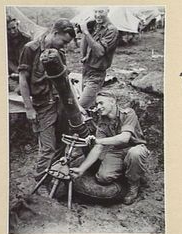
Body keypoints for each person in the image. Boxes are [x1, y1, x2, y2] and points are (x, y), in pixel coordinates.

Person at [70, 90, 150, 205]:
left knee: (135, 154)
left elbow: (124, 138)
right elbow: (98, 148)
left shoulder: (128, 113)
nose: (98, 107)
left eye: (101, 103)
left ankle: (134, 184)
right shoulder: (102, 122)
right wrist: (81, 169)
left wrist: (98, 140)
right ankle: (127, 172)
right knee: (103, 178)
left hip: (134, 147)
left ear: (112, 102)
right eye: (97, 104)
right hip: (116, 151)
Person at [18, 18, 76, 174]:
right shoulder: (30, 49)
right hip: (42, 105)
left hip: (60, 103)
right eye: (63, 41)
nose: (64, 46)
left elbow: (64, 79)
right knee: (48, 148)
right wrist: (28, 108)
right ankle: (40, 184)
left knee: (61, 143)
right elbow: (23, 79)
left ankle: (53, 178)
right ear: (55, 33)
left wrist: (74, 104)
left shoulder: (59, 52)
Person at [79, 7, 119, 110]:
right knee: (89, 106)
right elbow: (85, 46)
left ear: (108, 11)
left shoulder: (111, 30)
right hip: (86, 69)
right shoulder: (95, 25)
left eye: (101, 11)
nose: (97, 15)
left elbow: (100, 52)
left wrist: (86, 32)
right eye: (95, 11)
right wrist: (84, 32)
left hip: (96, 75)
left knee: (80, 107)